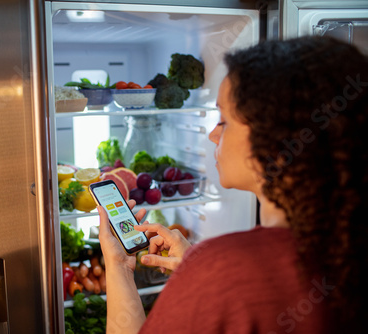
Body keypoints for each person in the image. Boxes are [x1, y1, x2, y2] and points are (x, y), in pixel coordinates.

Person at [97, 36, 368, 334]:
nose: (213, 134)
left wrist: (120, 267)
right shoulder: (348, 244)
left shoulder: (225, 268)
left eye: (224, 120)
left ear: (272, 137)